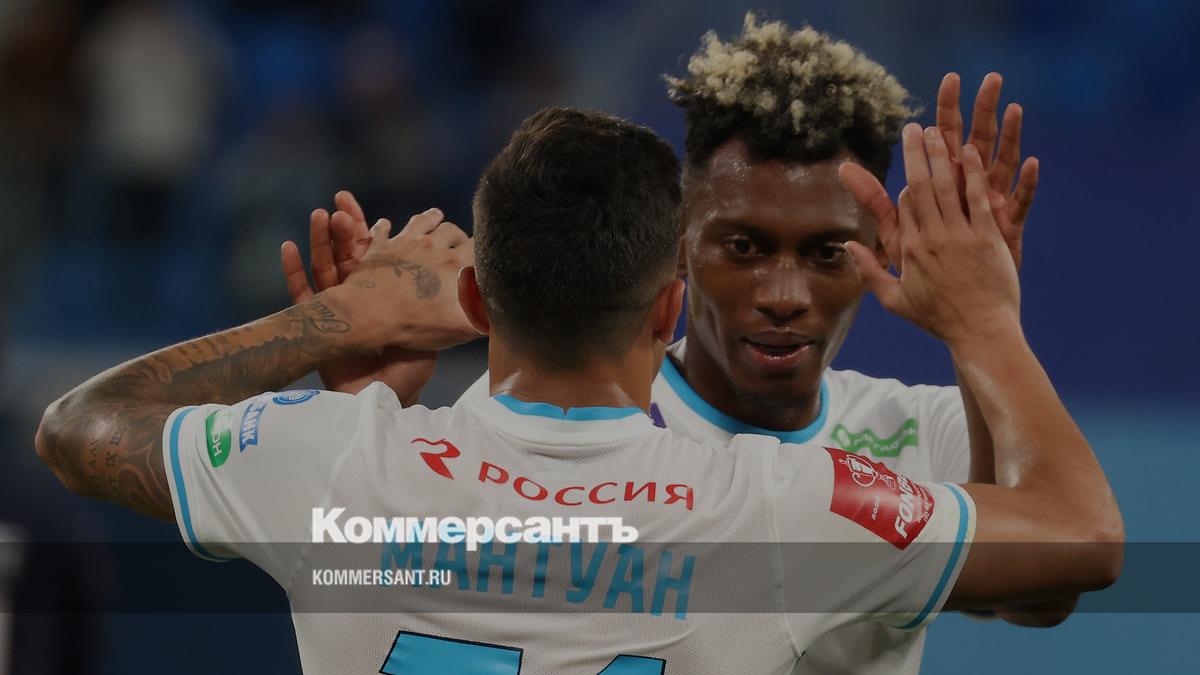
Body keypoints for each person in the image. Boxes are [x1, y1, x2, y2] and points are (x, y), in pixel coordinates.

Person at [36, 107, 1121, 674]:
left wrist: (347, 320)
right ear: (668, 308)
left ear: (476, 298)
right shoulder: (783, 505)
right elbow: (1081, 540)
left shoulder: (334, 466)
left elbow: (83, 427)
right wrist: (986, 319)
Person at [285, 17, 1050, 673]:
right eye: (743, 246)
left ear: (885, 249)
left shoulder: (924, 428)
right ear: (678, 245)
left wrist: (983, 318)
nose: (784, 294)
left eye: (827, 253)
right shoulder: (560, 427)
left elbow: (1039, 589)